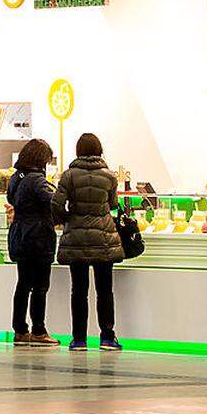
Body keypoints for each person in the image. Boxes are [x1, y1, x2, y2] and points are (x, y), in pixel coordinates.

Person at [51, 133, 124, 352]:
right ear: (99, 150)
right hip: (103, 238)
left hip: (76, 238)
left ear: (78, 151)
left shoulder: (68, 176)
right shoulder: (110, 177)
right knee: (105, 290)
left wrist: (67, 220)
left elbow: (56, 204)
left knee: (79, 290)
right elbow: (112, 204)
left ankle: (79, 339)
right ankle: (107, 337)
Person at [7, 139, 59, 347]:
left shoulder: (16, 177)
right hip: (38, 237)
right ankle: (39, 330)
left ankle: (20, 329)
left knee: (23, 284)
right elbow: (53, 202)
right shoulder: (37, 179)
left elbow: (12, 200)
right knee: (40, 286)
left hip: (20, 235)